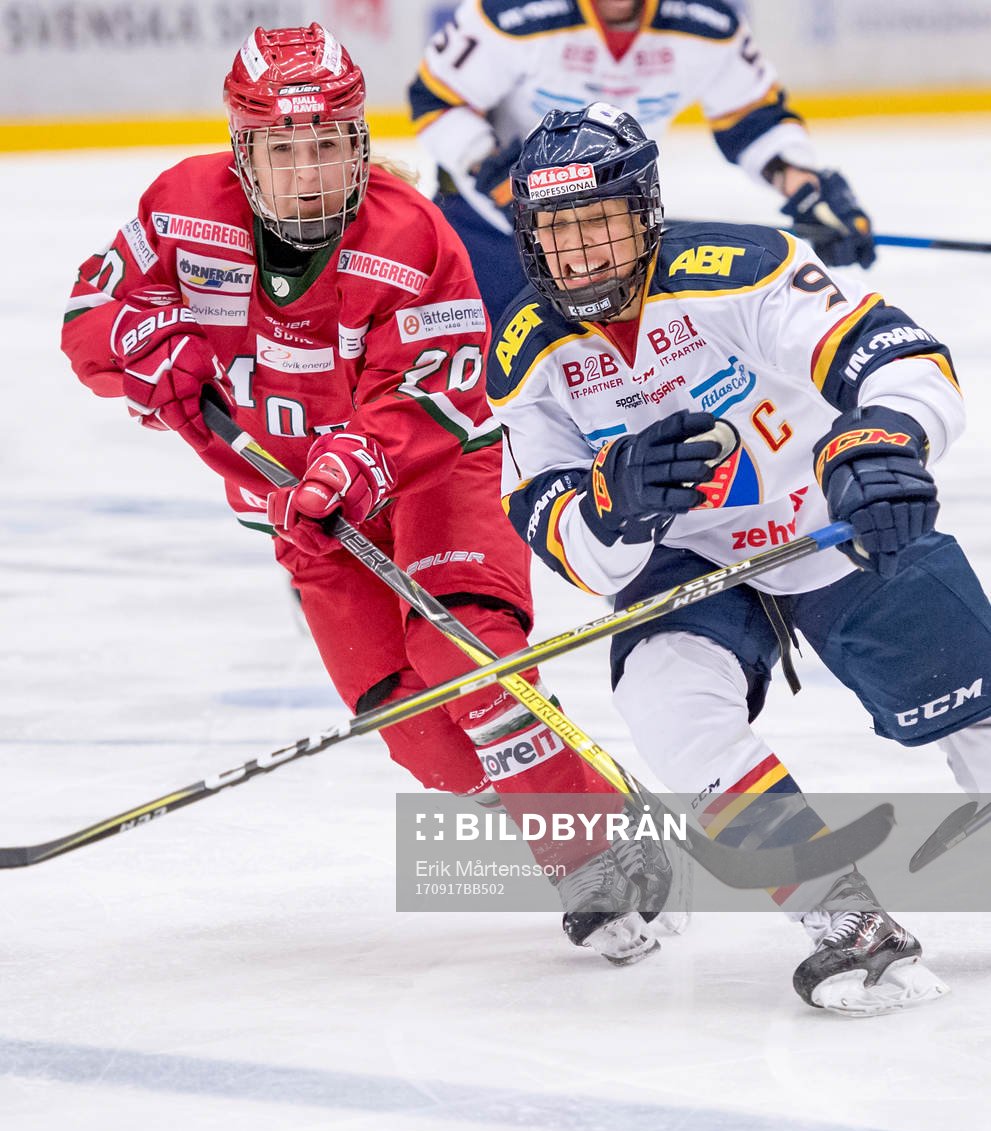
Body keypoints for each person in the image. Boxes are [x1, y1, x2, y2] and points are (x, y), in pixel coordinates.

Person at [61, 23, 677, 967]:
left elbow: (436, 394)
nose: (307, 175)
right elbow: (89, 314)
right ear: (243, 150)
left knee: (465, 662)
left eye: (326, 146)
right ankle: (596, 804)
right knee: (417, 731)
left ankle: (588, 857)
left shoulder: (408, 233)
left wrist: (354, 462)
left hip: (436, 475)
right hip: (298, 512)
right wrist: (140, 348)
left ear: (358, 142)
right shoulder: (181, 207)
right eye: (282, 152)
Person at [488, 100, 991, 1015]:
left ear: (644, 211)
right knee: (664, 701)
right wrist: (609, 503)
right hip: (683, 559)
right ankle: (843, 920)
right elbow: (563, 535)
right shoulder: (526, 351)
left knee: (973, 705)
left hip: (826, 518)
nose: (580, 251)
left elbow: (900, 356)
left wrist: (881, 439)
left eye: (599, 221)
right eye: (556, 230)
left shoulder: (742, 268)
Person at [409, 0, 874, 322]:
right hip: (489, 228)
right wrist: (490, 168)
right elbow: (435, 98)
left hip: (613, 229)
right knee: (483, 385)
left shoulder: (706, 24)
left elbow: (753, 117)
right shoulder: (512, 14)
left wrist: (806, 188)